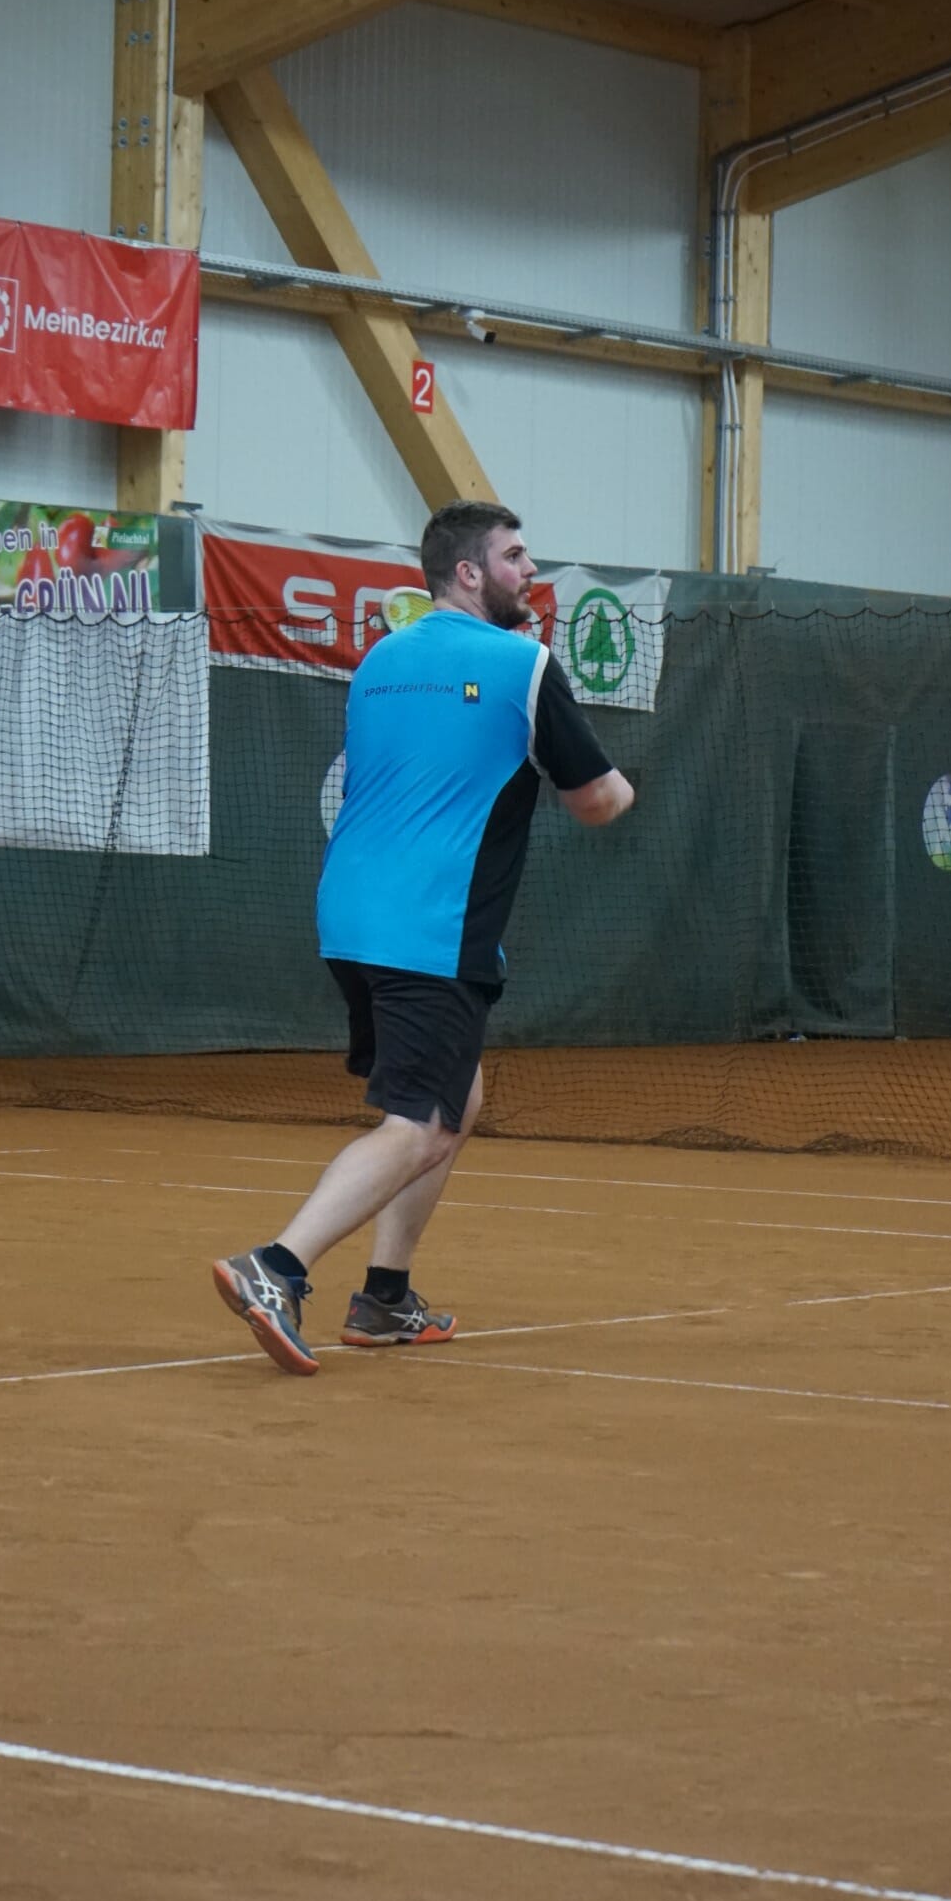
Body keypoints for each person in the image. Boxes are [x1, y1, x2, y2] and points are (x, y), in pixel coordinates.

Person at [213, 500, 636, 1375]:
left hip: (349, 917)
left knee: (458, 1096)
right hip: (431, 929)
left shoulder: (380, 661)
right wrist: (623, 787)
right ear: (469, 573)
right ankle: (278, 1267)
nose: (531, 571)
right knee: (420, 1126)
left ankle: (385, 1298)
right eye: (515, 556)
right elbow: (597, 800)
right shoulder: (523, 663)